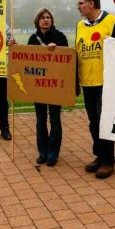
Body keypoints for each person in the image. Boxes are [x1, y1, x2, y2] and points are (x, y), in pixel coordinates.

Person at [76, 0, 115, 179]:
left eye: (81, 3)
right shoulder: (80, 25)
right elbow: (78, 52)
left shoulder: (111, 21)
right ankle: (99, 155)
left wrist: (112, 42)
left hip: (105, 81)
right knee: (93, 122)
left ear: (91, 4)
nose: (78, 6)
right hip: (87, 81)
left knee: (104, 121)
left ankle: (108, 161)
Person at [27, 8, 69, 166]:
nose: (46, 20)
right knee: (40, 120)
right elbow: (27, 60)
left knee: (55, 119)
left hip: (55, 86)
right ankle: (42, 152)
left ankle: (53, 153)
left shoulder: (60, 36)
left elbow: (68, 59)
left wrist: (56, 49)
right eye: (43, 18)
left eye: (48, 17)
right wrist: (15, 46)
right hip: (38, 86)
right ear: (37, 21)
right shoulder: (33, 38)